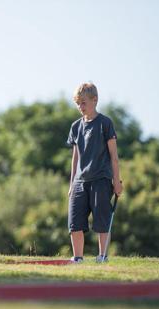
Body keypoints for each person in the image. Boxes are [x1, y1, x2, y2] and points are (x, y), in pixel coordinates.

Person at [66, 82, 123, 263]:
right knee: (75, 224)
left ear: (94, 100)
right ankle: (78, 259)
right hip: (80, 181)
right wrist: (71, 184)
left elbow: (114, 156)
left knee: (102, 222)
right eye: (78, 103)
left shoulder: (105, 123)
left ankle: (102, 257)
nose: (80, 107)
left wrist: (117, 181)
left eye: (83, 102)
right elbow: (75, 158)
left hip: (101, 179)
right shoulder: (76, 127)